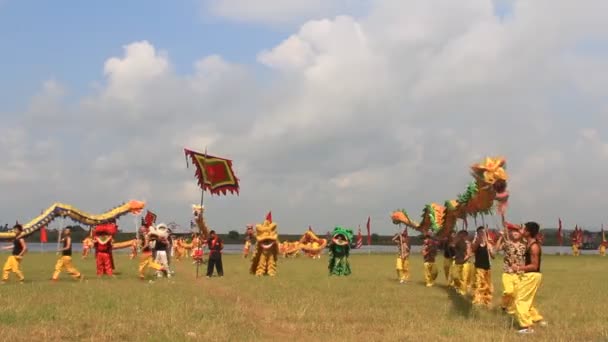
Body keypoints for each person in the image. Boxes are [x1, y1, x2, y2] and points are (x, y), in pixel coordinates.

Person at [513, 222, 547, 334]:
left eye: (523, 229)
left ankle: (527, 327)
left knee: (520, 300)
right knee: (527, 300)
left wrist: (519, 267)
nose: (521, 231)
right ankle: (537, 320)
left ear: (528, 232)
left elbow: (534, 265)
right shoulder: (528, 243)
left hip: (532, 275)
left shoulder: (534, 247)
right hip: (531, 275)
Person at [495, 222, 526, 314]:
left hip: (519, 273)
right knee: (509, 291)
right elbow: (496, 250)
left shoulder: (523, 246)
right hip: (507, 273)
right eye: (513, 232)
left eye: (517, 232)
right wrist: (501, 237)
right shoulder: (507, 244)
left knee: (517, 294)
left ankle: (512, 311)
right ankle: (504, 305)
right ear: (510, 233)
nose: (515, 233)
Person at [471, 226, 495, 307]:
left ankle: (486, 301)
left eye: (483, 232)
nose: (482, 234)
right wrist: (478, 241)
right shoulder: (476, 242)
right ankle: (477, 301)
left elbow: (493, 256)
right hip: (478, 268)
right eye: (480, 232)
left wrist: (490, 248)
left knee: (487, 286)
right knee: (478, 285)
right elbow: (472, 249)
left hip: (487, 268)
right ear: (477, 233)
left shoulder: (489, 243)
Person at [452, 230, 472, 295]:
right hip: (457, 262)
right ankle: (458, 287)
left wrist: (463, 260)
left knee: (463, 278)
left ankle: (463, 291)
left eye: (462, 235)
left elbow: (468, 254)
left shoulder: (467, 243)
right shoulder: (457, 242)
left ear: (465, 236)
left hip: (465, 262)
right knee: (455, 277)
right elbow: (452, 246)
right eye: (460, 235)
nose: (461, 236)